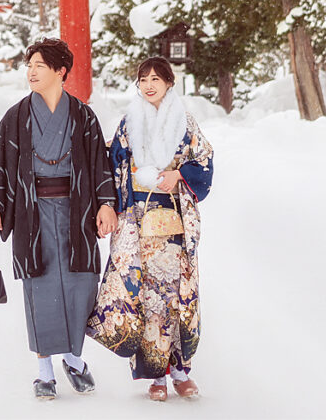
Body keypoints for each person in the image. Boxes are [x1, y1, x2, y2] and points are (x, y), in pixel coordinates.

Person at [0, 38, 118, 401]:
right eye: (29, 65)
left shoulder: (82, 116)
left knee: (81, 285)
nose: (30, 72)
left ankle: (73, 358)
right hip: (33, 214)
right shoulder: (17, 116)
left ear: (60, 71)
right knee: (41, 288)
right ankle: (45, 371)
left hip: (76, 212)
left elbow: (100, 163)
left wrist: (106, 204)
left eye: (38, 65)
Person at [87, 56, 214, 402]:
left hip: (173, 219)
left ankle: (181, 371)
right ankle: (156, 374)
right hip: (138, 221)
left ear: (170, 82)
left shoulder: (185, 123)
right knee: (148, 298)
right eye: (143, 79)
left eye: (156, 78)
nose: (149, 84)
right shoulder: (129, 123)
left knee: (178, 297)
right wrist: (109, 204)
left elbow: (204, 160)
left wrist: (180, 175)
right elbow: (113, 167)